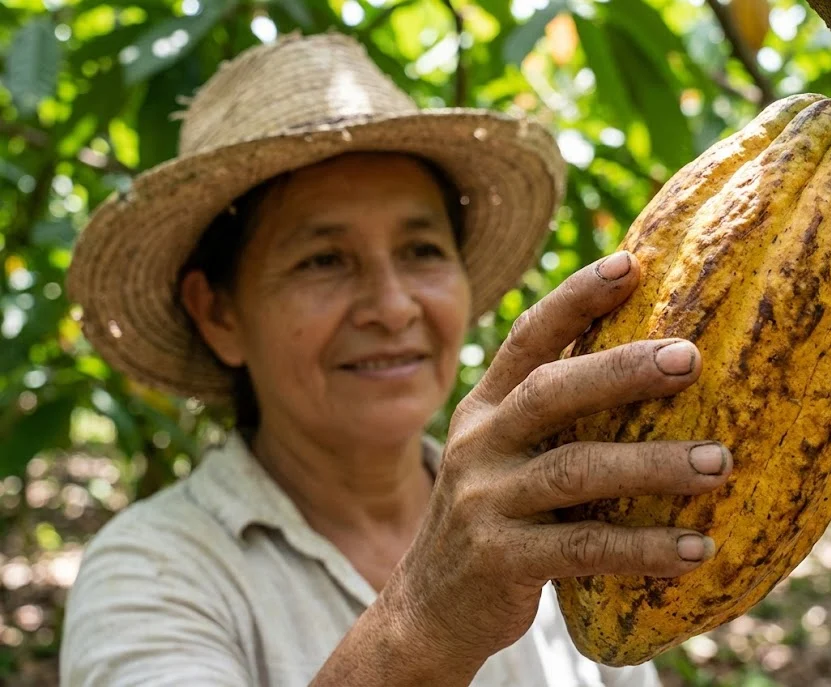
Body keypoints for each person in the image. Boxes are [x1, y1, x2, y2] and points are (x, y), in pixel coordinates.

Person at [59, 31, 733, 686]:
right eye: (323, 260)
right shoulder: (150, 570)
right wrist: (429, 617)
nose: (392, 306)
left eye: (422, 251)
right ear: (219, 314)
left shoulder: (550, 508)